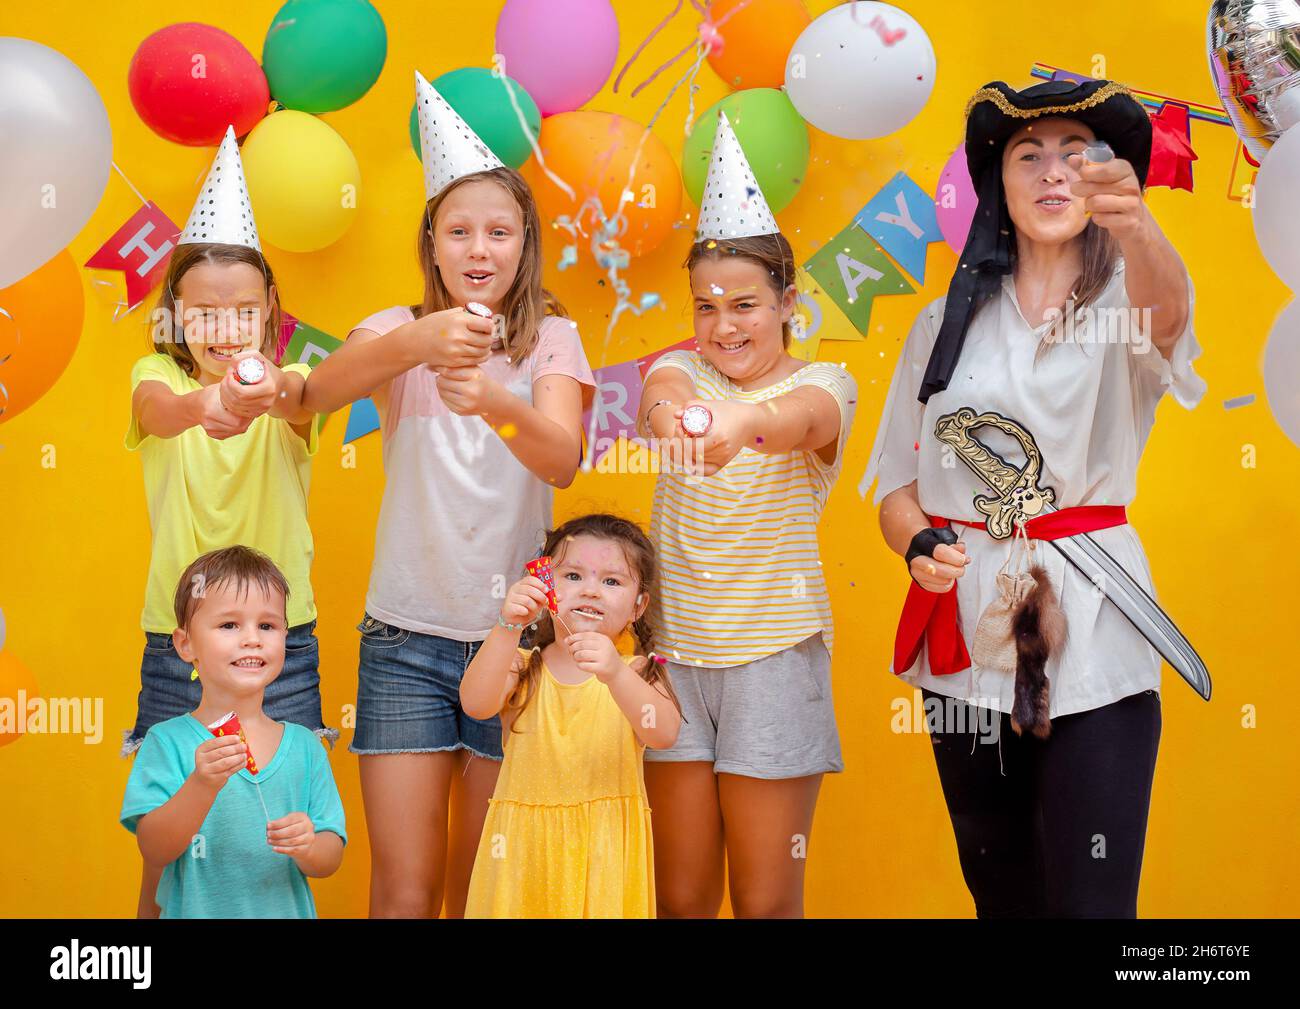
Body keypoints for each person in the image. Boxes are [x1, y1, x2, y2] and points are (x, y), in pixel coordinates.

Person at [865, 78, 1206, 918]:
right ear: (1000, 185)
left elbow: (1171, 315)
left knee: (1093, 905)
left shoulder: (1127, 302)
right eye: (1030, 156)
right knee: (1002, 897)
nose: (1054, 173)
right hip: (966, 639)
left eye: (1077, 155)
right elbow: (896, 487)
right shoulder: (944, 321)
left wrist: (1138, 224)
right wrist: (916, 544)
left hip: (1093, 628)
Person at [301, 73, 594, 918]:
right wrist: (419, 344)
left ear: (523, 243)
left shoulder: (553, 339)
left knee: (482, 887)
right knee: (403, 889)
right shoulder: (397, 330)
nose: (479, 249)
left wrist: (497, 400)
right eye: (458, 230)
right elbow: (318, 392)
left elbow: (564, 459)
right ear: (431, 243)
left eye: (499, 231)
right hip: (404, 639)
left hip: (517, 641)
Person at [634, 113, 857, 918]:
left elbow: (794, 419)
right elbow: (663, 398)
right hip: (674, 663)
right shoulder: (678, 370)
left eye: (745, 305)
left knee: (765, 902)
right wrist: (678, 420)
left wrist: (738, 428)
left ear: (788, 301)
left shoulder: (828, 382)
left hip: (773, 660)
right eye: (705, 307)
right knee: (681, 900)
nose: (723, 326)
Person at [122, 127, 331, 918]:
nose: (224, 327)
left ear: (271, 310)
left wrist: (265, 392)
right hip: (175, 641)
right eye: (203, 313)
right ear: (175, 318)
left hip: (284, 636)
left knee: (273, 815)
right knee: (167, 822)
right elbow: (161, 410)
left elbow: (308, 400)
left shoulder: (294, 382)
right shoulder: (154, 377)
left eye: (244, 310)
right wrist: (203, 405)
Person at [460, 514, 681, 917]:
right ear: (546, 588)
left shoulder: (636, 672)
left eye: (612, 581)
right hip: (522, 852)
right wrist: (508, 626)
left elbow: (663, 733)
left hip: (605, 856)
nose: (592, 591)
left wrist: (614, 672)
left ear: (639, 605)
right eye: (574, 576)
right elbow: (476, 703)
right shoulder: (522, 665)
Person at [120, 546, 346, 918]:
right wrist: (201, 785)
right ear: (185, 644)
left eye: (267, 626)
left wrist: (308, 845)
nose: (252, 639)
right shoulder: (166, 742)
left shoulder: (306, 747)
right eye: (229, 625)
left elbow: (330, 857)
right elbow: (155, 849)